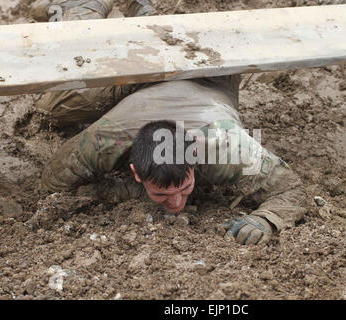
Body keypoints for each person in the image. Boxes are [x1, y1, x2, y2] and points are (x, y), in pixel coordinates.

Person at [33, 0, 307, 245]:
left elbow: (290, 189)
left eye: (185, 188)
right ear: (136, 173)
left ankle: (144, 11)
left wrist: (266, 220)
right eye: (162, 195)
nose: (176, 204)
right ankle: (81, 7)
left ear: (196, 155)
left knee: (182, 40)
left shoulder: (227, 147)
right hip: (139, 75)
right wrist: (134, 192)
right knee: (55, 107)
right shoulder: (105, 140)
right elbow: (54, 182)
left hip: (209, 70)